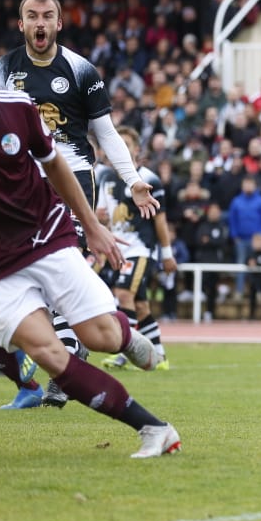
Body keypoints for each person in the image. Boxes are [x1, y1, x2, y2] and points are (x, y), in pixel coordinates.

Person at [0, 21, 179, 458]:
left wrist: (92, 227)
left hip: (45, 238)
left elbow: (55, 164)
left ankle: (125, 336)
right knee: (50, 353)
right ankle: (155, 430)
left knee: (100, 336)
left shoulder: (16, 108)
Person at [0, 0, 158, 409]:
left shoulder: (80, 70)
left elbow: (106, 133)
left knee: (64, 265)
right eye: (32, 16)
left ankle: (67, 366)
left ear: (59, 23)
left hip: (71, 177)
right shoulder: (3, 69)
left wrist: (131, 180)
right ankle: (65, 356)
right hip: (19, 183)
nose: (40, 23)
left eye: (48, 16)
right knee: (24, 274)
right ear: (21, 24)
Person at [95, 127, 175, 371]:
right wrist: (99, 218)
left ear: (137, 149)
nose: (120, 149)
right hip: (117, 249)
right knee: (140, 305)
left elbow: (160, 220)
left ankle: (123, 351)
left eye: (127, 144)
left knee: (123, 293)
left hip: (141, 249)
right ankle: (160, 357)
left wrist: (167, 254)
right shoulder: (106, 178)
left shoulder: (148, 179)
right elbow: (105, 219)